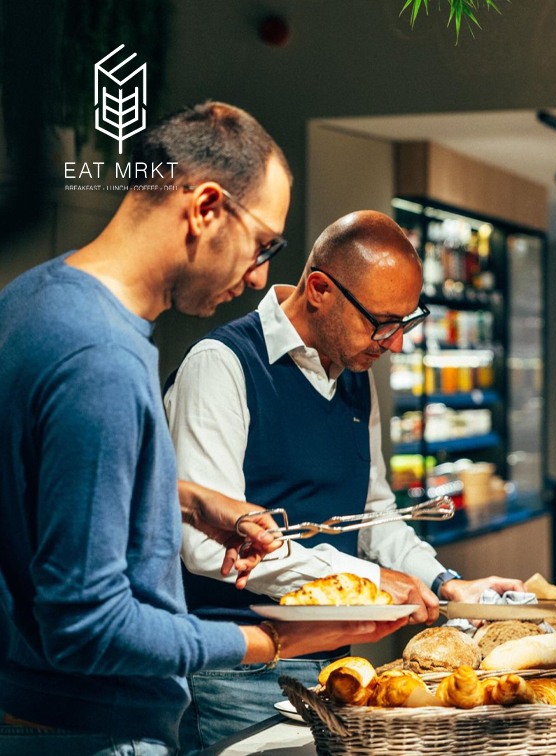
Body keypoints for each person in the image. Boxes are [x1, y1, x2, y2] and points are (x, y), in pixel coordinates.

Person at [0, 102, 405, 756]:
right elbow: (88, 626)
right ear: (206, 208)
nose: (261, 278)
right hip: (95, 729)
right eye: (264, 244)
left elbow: (46, 490)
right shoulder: (100, 359)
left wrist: (185, 497)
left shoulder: (34, 298)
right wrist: (275, 642)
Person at [164, 210, 524, 752]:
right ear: (319, 290)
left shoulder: (353, 373)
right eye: (383, 322)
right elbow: (203, 547)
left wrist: (446, 583)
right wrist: (371, 581)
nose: (395, 343)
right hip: (233, 671)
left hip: (336, 667)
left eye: (406, 322)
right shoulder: (220, 366)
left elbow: (377, 514)